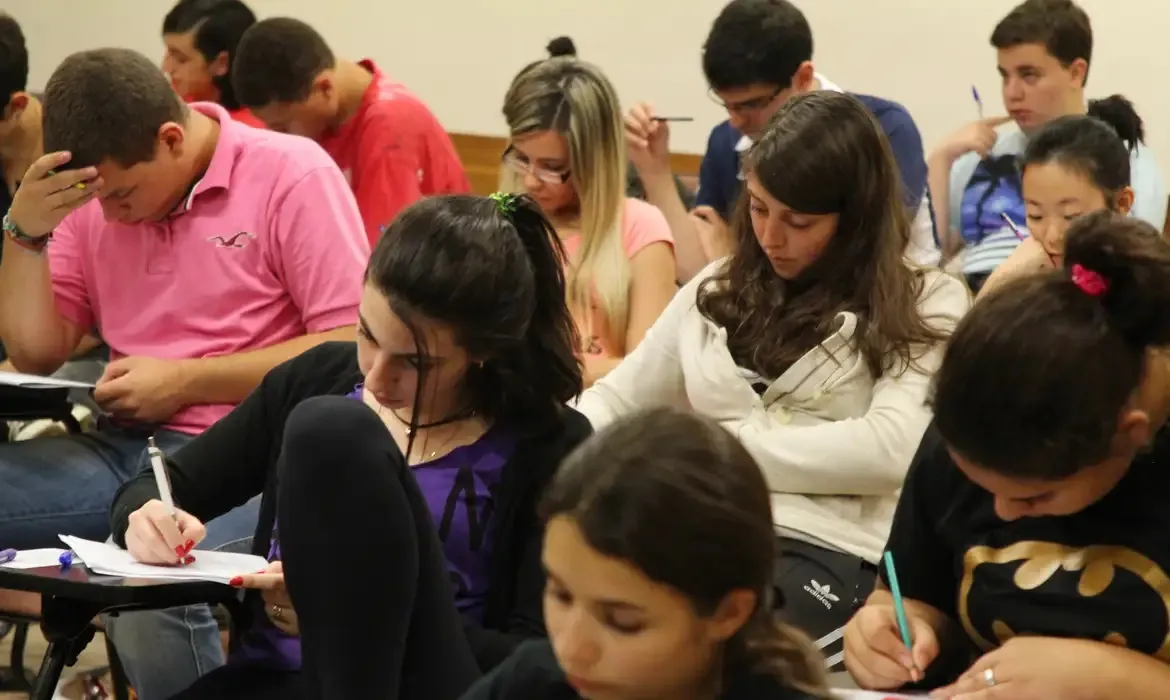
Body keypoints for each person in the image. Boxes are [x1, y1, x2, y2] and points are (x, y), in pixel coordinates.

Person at [108, 193, 591, 700]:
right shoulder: (316, 378)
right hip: (270, 682)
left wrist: (345, 614)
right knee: (329, 421)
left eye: (415, 363)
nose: (377, 379)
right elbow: (160, 486)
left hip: (432, 686)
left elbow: (542, 661)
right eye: (366, 336)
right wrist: (145, 519)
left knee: (332, 429)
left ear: (484, 353)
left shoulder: (550, 445)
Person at [576, 90, 969, 669]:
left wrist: (716, 453)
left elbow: (892, 448)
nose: (770, 236)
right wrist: (550, 441)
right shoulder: (718, 286)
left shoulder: (927, 299)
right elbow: (615, 399)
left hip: (834, 551)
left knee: (712, 659)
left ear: (855, 218)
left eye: (798, 221)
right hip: (699, 530)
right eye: (757, 208)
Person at [0, 48, 365, 614]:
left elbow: (347, 345)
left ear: (172, 138)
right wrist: (24, 233)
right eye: (99, 200)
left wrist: (185, 382)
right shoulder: (93, 197)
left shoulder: (290, 173)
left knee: (161, 586)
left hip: (243, 463)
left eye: (122, 195)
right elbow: (37, 354)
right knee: (137, 565)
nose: (111, 216)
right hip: (120, 449)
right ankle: (76, 607)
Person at [844, 212, 1170, 699]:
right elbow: (915, 594)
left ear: (1128, 436)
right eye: (980, 485)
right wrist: (893, 626)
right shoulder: (966, 434)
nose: (1000, 511)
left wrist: (1115, 679)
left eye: (1034, 497)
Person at [460, 407, 831, 700]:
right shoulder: (533, 681)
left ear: (727, 613)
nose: (571, 649)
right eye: (560, 594)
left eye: (622, 622)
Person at [625, 0, 937, 283]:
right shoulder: (727, 141)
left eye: (751, 105)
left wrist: (733, 256)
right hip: (771, 314)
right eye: (727, 105)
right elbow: (696, 274)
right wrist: (655, 172)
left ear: (802, 78)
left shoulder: (883, 127)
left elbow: (865, 256)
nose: (736, 121)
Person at [929, 0, 1165, 292]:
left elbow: (1131, 261)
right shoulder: (980, 154)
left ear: (1076, 72)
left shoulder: (1121, 157)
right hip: (973, 302)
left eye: (1029, 75)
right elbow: (931, 259)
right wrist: (941, 160)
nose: (1011, 93)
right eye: (1005, 75)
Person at [501, 55, 676, 386]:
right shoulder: (502, 219)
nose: (532, 181)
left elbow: (648, 375)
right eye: (522, 159)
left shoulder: (640, 228)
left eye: (552, 167)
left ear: (594, 162)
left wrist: (537, 374)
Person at [232, 17, 470, 247]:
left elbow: (381, 259)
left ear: (324, 88)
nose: (281, 138)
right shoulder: (322, 119)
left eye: (283, 127)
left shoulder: (390, 124)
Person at [0, 13, 107, 381]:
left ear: (16, 107)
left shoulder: (83, 163)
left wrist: (13, 370)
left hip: (66, 362)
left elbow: (98, 306)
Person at [978, 97, 1140, 297]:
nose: (1052, 237)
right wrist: (1001, 281)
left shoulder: (1146, 285)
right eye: (1035, 215)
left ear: (1122, 203)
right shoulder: (1028, 281)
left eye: (1071, 216)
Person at [161, 0, 265, 128]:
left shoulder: (250, 133)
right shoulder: (170, 99)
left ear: (221, 63)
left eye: (181, 59)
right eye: (168, 52)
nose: (166, 68)